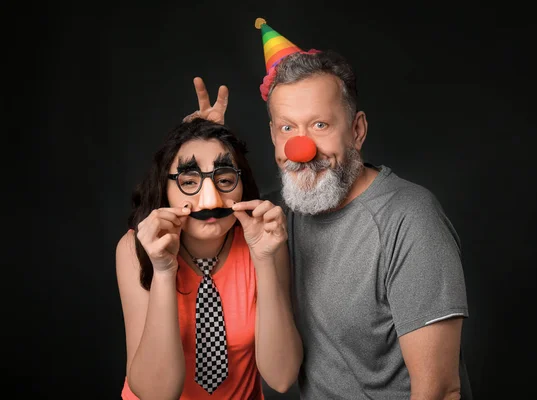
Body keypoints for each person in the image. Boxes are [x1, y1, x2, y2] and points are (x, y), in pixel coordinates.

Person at [185, 18, 471, 400]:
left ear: (357, 130)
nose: (302, 149)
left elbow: (439, 391)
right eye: (287, 129)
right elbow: (191, 225)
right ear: (272, 134)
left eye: (320, 125)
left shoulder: (409, 218)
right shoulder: (273, 215)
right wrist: (202, 149)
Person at [115, 114, 303, 400]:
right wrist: (164, 271)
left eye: (225, 179)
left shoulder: (264, 241)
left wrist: (265, 259)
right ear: (165, 189)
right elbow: (156, 394)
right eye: (189, 182)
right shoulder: (136, 248)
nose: (210, 200)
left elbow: (282, 377)